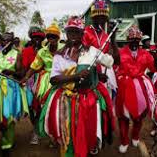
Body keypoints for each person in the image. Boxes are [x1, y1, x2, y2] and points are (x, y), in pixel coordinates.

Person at [38, 16, 116, 157]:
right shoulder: (60, 55)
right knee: (66, 135)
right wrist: (75, 76)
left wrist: (113, 40)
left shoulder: (92, 51)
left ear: (82, 34)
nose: (73, 36)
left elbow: (111, 62)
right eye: (70, 32)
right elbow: (54, 80)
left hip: (88, 100)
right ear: (66, 34)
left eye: (77, 32)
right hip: (65, 99)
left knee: (87, 133)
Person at [0, 32, 32, 152]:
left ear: (12, 41)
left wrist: (12, 72)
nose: (6, 43)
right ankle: (4, 132)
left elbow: (21, 73)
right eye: (4, 41)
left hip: (10, 87)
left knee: (9, 116)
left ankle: (7, 143)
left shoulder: (17, 54)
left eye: (9, 41)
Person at [112, 25, 156, 153]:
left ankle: (135, 136)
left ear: (140, 41)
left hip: (141, 87)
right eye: (132, 41)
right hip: (125, 87)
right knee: (123, 116)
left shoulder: (145, 54)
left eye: (137, 41)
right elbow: (114, 62)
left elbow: (153, 68)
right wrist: (113, 38)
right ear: (127, 41)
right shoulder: (120, 52)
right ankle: (124, 140)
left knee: (139, 116)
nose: (135, 43)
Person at [20, 22, 64, 145]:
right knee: (40, 108)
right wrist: (26, 77)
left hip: (62, 80)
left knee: (59, 108)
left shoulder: (64, 49)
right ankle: (37, 132)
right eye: (49, 36)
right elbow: (34, 67)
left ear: (58, 38)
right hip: (45, 82)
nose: (52, 39)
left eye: (54, 37)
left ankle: (56, 135)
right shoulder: (42, 52)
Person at [82, 0, 118, 101]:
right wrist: (97, 75)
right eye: (98, 16)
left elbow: (110, 55)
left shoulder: (106, 35)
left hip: (106, 72)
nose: (101, 19)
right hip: (90, 70)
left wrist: (113, 38)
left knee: (106, 101)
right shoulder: (85, 33)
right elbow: (84, 56)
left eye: (103, 17)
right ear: (93, 17)